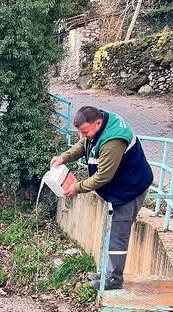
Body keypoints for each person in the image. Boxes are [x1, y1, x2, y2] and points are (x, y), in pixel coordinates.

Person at [51, 106, 154, 291]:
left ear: (97, 123)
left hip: (130, 188)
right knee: (112, 231)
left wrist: (77, 187)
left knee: (118, 233)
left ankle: (114, 279)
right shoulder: (99, 126)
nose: (84, 135)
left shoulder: (113, 139)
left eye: (85, 131)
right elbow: (84, 145)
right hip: (121, 186)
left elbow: (103, 176)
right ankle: (107, 273)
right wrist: (64, 158)